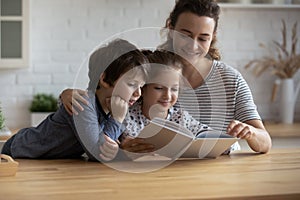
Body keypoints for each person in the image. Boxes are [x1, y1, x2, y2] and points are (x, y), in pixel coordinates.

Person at [60, 0, 272, 153]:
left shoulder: (231, 80)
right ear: (171, 28)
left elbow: (265, 142)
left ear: (212, 38)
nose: (192, 45)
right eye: (185, 34)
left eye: (203, 38)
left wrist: (250, 133)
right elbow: (101, 94)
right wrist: (68, 94)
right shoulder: (148, 67)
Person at [1, 39, 149, 161]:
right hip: (19, 151)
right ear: (104, 79)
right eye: (131, 84)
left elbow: (112, 143)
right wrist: (117, 119)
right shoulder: (84, 103)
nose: (138, 93)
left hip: (48, 160)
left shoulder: (117, 108)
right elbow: (98, 154)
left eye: (141, 86)